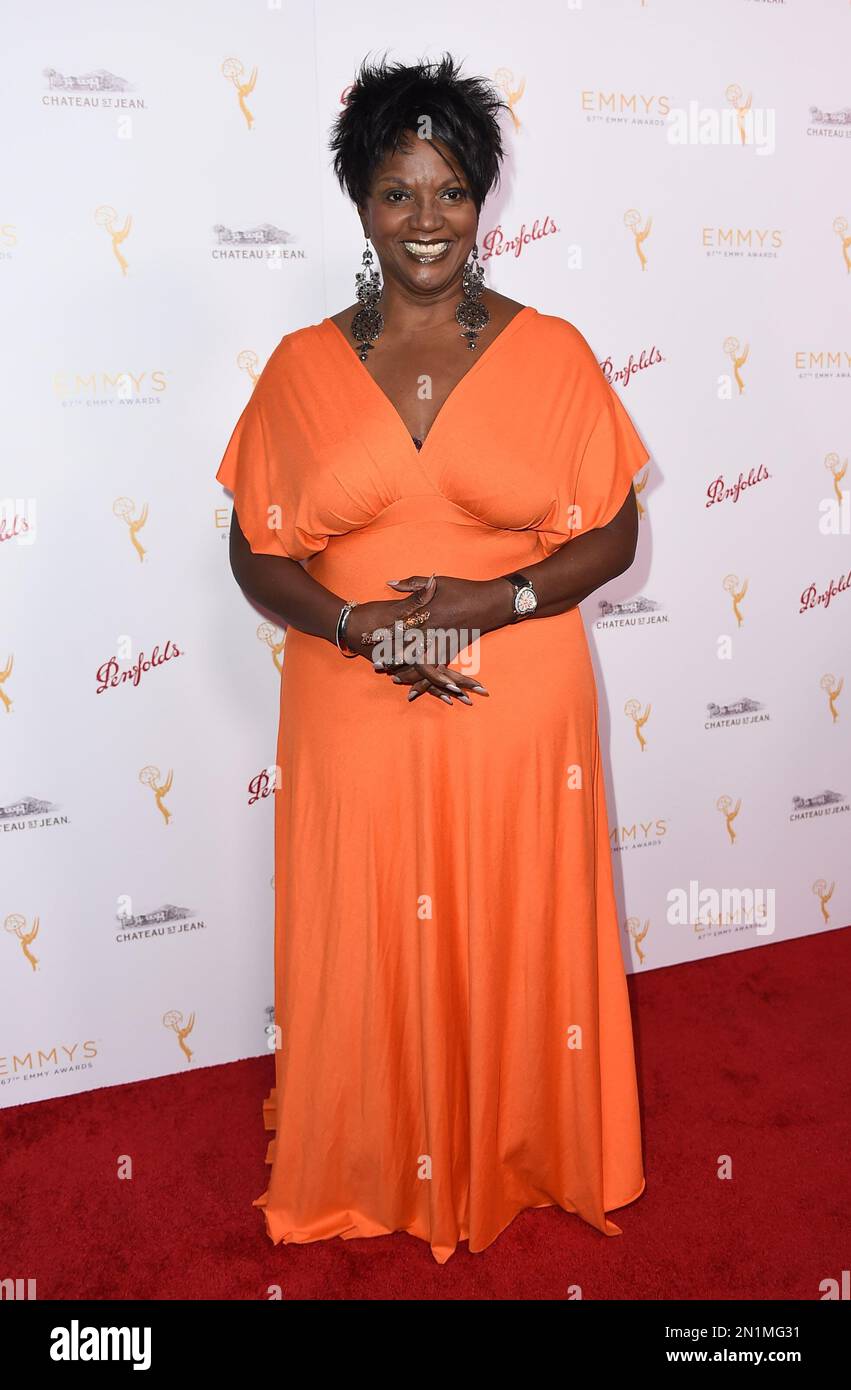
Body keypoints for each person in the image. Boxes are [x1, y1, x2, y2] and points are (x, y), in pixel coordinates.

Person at [216, 53, 649, 1264]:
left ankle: (525, 1144)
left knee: (513, 929)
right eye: (398, 191)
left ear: (482, 202)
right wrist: (359, 626)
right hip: (351, 700)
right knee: (363, 938)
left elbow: (614, 530)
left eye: (449, 190)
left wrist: (490, 598)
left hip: (516, 695)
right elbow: (252, 555)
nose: (425, 220)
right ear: (359, 200)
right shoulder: (302, 366)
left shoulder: (551, 349)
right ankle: (365, 1155)